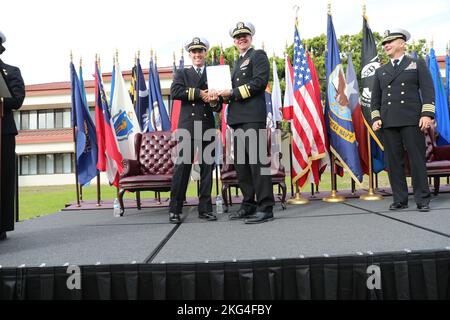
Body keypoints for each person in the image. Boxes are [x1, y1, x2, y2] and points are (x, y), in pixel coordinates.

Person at [371, 28, 435, 212]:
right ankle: (400, 199)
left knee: (416, 160)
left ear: (402, 43)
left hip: (412, 120)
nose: (386, 46)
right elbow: (375, 100)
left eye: (390, 42)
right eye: (384, 43)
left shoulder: (416, 64)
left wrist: (427, 114)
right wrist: (376, 118)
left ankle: (422, 199)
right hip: (389, 122)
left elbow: (429, 91)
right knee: (393, 162)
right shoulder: (381, 71)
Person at [218, 22, 275, 224]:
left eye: (245, 35)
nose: (241, 39)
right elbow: (228, 91)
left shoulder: (258, 55)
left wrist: (231, 93)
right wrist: (218, 96)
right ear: (234, 41)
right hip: (237, 119)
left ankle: (266, 207)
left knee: (258, 164)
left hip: (253, 117)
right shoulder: (236, 63)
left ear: (251, 37)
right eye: (238, 37)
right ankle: (249, 204)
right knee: (242, 166)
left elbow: (259, 82)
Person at [168, 37, 221, 224]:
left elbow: (218, 106)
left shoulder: (214, 74)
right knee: (182, 168)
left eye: (201, 51)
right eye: (194, 52)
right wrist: (200, 93)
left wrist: (214, 100)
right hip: (188, 127)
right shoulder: (182, 73)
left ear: (206, 53)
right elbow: (175, 92)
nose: (198, 54)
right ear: (190, 55)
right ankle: (175, 208)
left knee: (207, 169)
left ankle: (205, 209)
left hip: (207, 125)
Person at [0, 31, 25, 240]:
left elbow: (17, 101)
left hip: (3, 134)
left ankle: (2, 225)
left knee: (3, 178)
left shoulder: (11, 72)